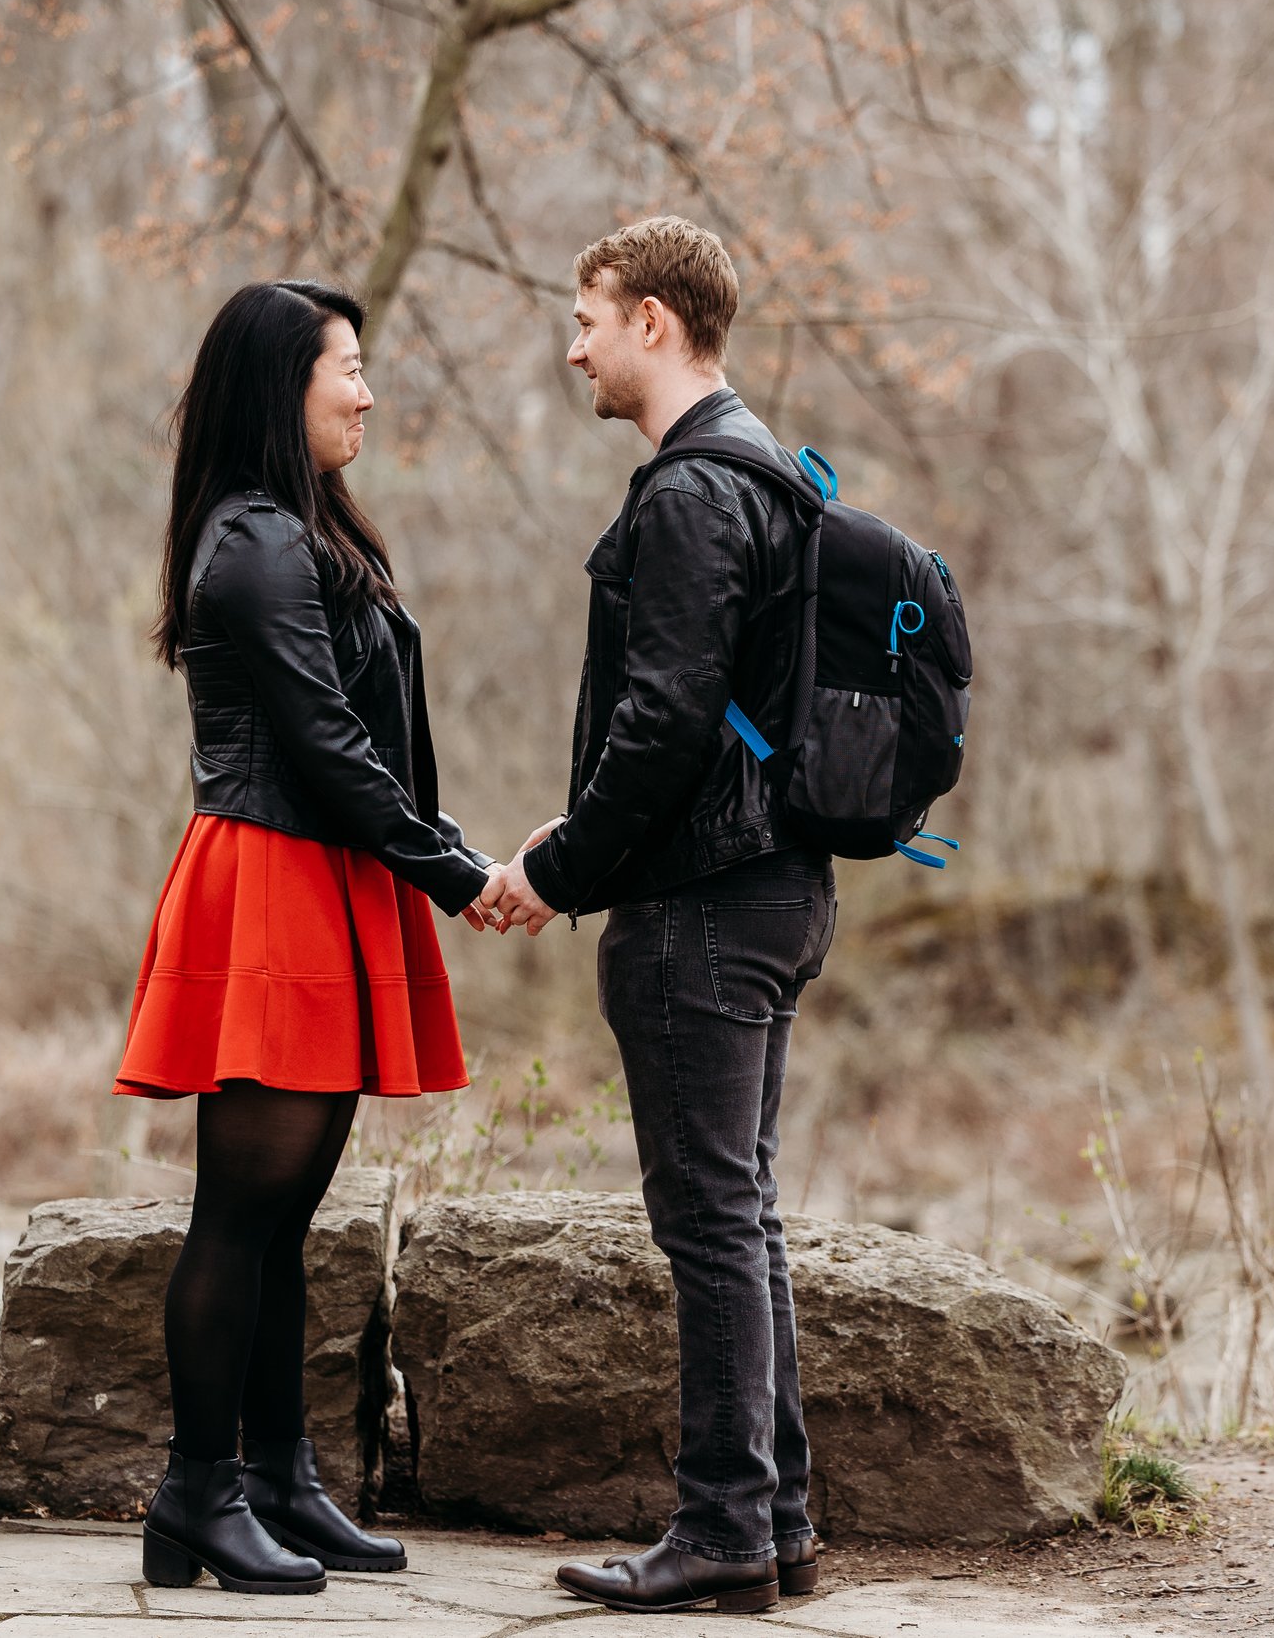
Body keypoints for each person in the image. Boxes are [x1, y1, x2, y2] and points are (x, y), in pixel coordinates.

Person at [116, 279, 509, 1597]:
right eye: (348, 367)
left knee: (285, 1220)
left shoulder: (298, 528)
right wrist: (458, 868)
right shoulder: (257, 545)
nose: (367, 391)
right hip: (275, 880)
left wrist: (431, 854)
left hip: (323, 875)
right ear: (282, 384)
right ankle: (195, 1499)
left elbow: (365, 740)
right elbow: (329, 747)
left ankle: (278, 1481)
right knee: (240, 1214)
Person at [492, 218, 837, 1615]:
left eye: (587, 316)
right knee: (740, 1219)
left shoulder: (697, 492)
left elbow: (666, 721)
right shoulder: (765, 473)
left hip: (701, 905)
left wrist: (558, 867)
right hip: (774, 891)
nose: (571, 345)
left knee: (708, 1224)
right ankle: (776, 1527)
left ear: (652, 321)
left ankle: (720, 1534)